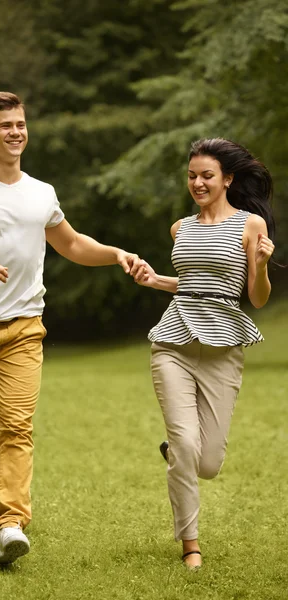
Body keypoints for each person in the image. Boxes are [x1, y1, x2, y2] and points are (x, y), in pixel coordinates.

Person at [0, 91, 141, 565]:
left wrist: (116, 253)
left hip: (23, 327)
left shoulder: (42, 193)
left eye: (21, 124)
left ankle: (11, 524)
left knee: (17, 427)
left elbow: (74, 244)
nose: (16, 132)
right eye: (6, 126)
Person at [132, 138, 275, 570]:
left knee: (207, 462)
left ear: (227, 179)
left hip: (222, 349)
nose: (197, 183)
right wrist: (156, 280)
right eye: (192, 175)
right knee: (185, 442)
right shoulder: (181, 227)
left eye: (206, 175)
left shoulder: (250, 226)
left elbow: (256, 296)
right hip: (173, 343)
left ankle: (179, 453)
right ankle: (190, 545)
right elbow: (192, 282)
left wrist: (264, 266)